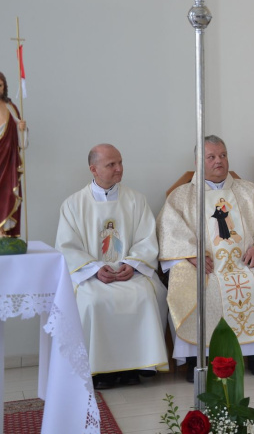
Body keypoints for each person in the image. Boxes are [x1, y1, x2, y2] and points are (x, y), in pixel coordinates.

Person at [157, 135, 254, 382]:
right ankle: (197, 360)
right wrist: (191, 255)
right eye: (211, 157)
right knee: (190, 285)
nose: (219, 162)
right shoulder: (181, 196)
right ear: (198, 161)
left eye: (223, 155)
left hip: (245, 263)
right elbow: (169, 232)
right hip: (205, 265)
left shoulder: (250, 191)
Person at [56, 144, 168, 389]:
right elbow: (67, 247)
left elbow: (147, 239)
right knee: (92, 300)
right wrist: (95, 269)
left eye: (120, 162)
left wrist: (133, 264)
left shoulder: (136, 200)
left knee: (145, 295)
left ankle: (138, 366)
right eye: (111, 165)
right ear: (93, 169)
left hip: (130, 273)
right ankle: (99, 371)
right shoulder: (73, 205)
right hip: (92, 276)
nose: (119, 169)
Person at [0, 71, 27, 239]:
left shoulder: (11, 107)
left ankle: (4, 232)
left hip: (8, 161)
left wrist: (22, 129)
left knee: (7, 193)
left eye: (0, 85)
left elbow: (22, 142)